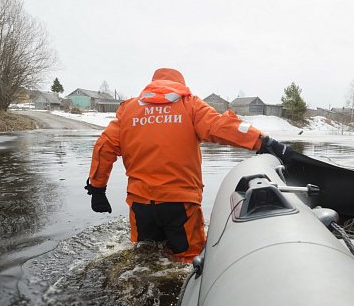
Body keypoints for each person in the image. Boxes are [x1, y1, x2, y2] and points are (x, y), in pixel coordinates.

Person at [84, 68, 292, 262]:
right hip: (180, 204)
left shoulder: (128, 110)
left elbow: (104, 148)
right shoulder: (190, 105)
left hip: (140, 207)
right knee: (187, 262)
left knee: (144, 259)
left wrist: (98, 189)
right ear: (179, 85)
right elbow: (222, 126)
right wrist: (262, 141)